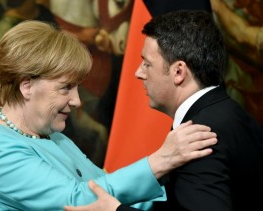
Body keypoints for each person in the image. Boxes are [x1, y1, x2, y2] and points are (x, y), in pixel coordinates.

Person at [0, 20, 218, 210]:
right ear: (26, 86)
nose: (76, 101)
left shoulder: (51, 136)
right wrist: (161, 160)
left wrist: (189, 187)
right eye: (66, 87)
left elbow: (110, 188)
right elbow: (79, 201)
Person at [64, 9, 263, 211]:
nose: (138, 72)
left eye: (147, 64)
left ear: (178, 72)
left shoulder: (198, 138)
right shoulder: (230, 113)